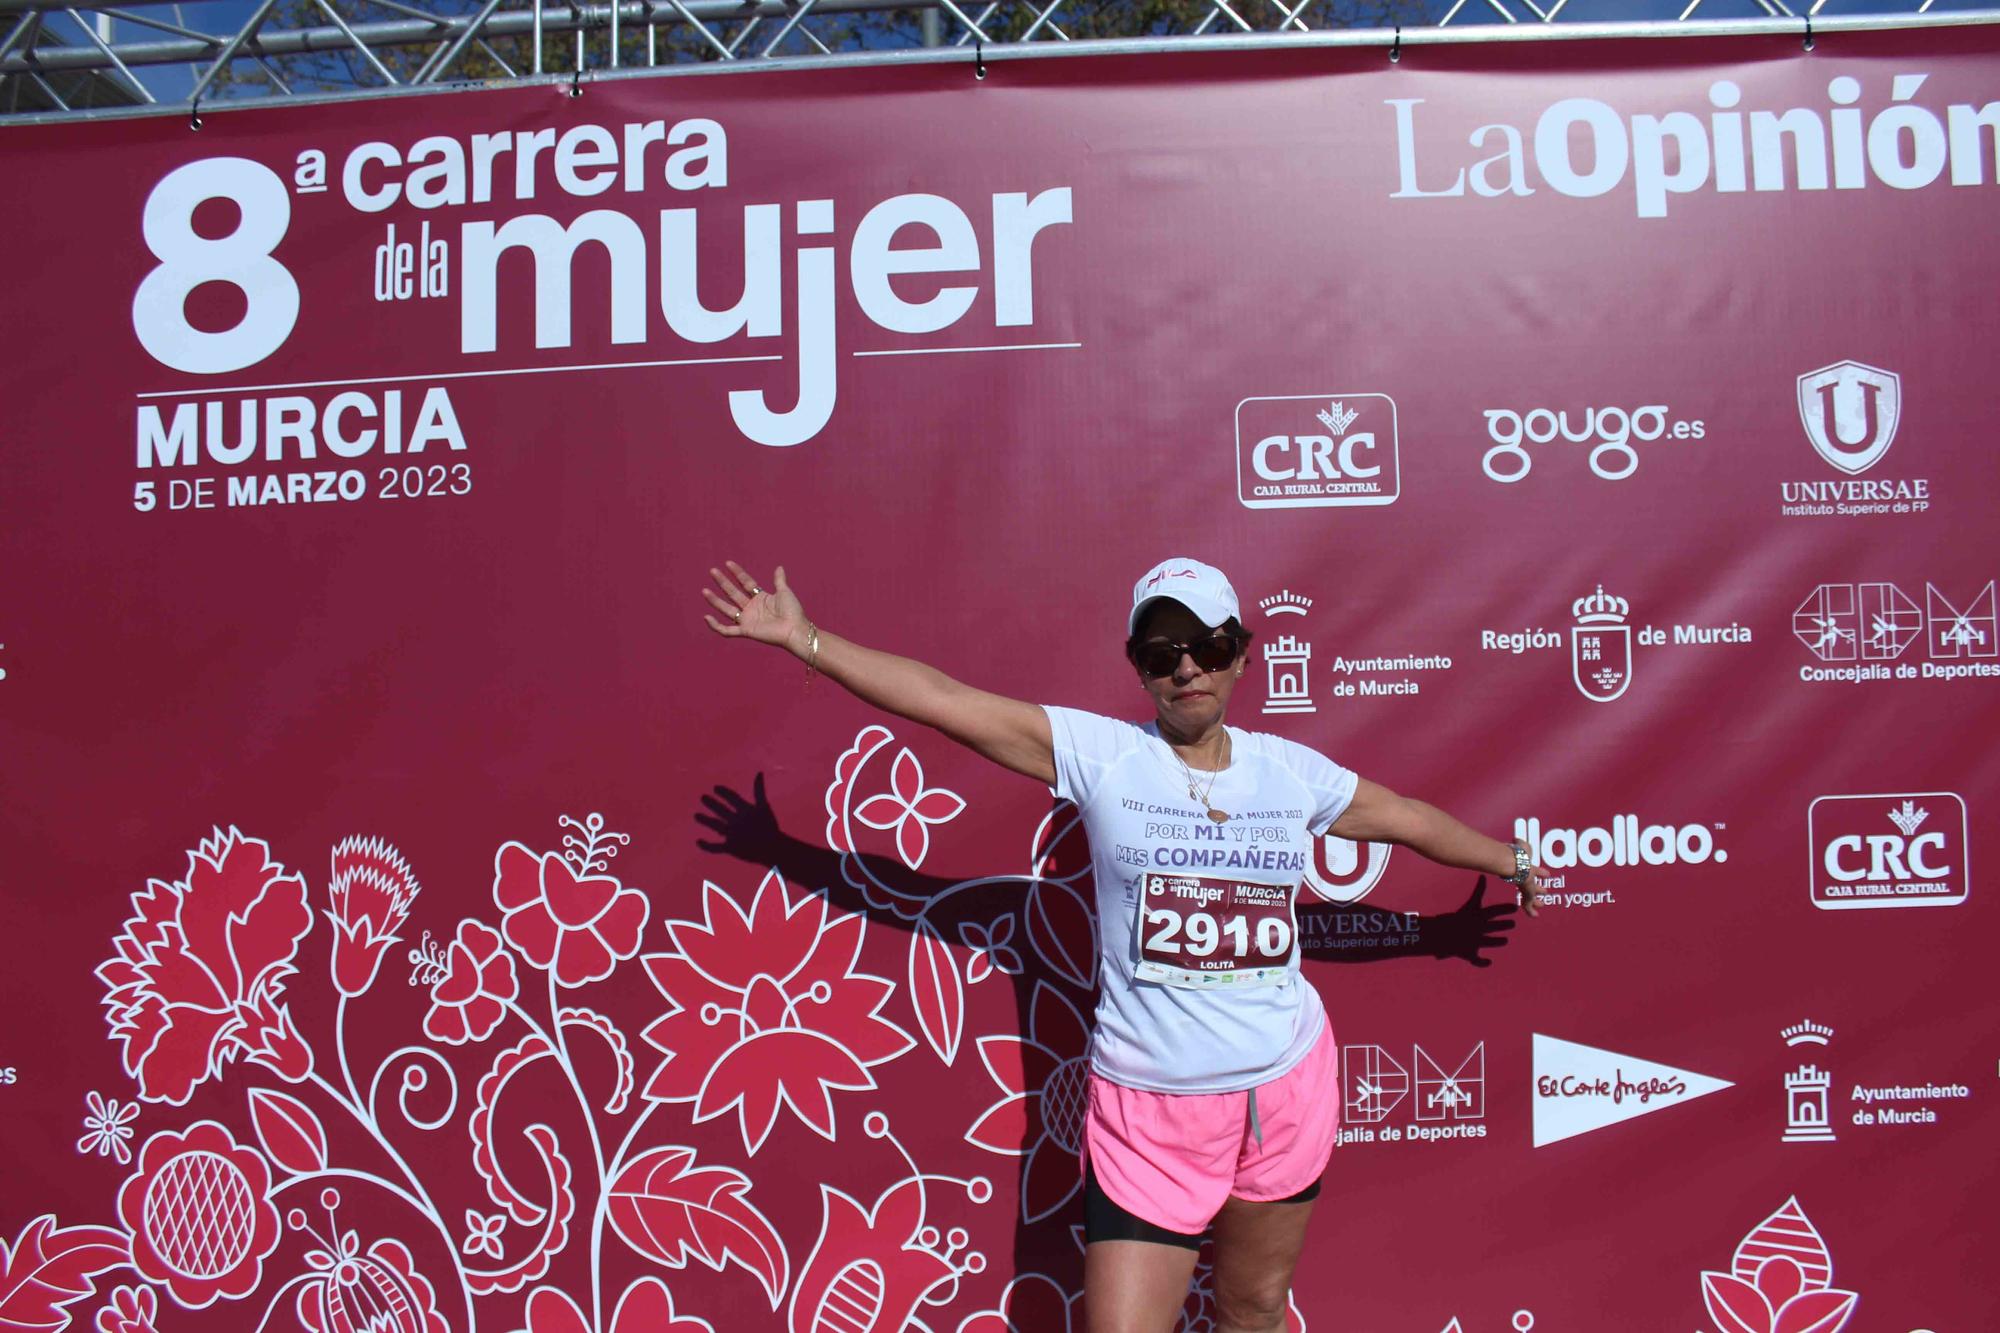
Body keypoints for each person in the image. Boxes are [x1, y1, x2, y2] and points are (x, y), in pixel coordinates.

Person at [700, 556, 1546, 1333]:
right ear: (1138, 664)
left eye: (1209, 646)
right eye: (1163, 651)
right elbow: (943, 699)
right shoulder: (1103, 756)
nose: (1188, 668)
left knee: (1252, 1310)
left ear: (1243, 655)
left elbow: (1405, 820)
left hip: (1281, 1095)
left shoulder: (1290, 772)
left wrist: (1505, 859)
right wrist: (804, 639)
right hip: (1149, 1114)